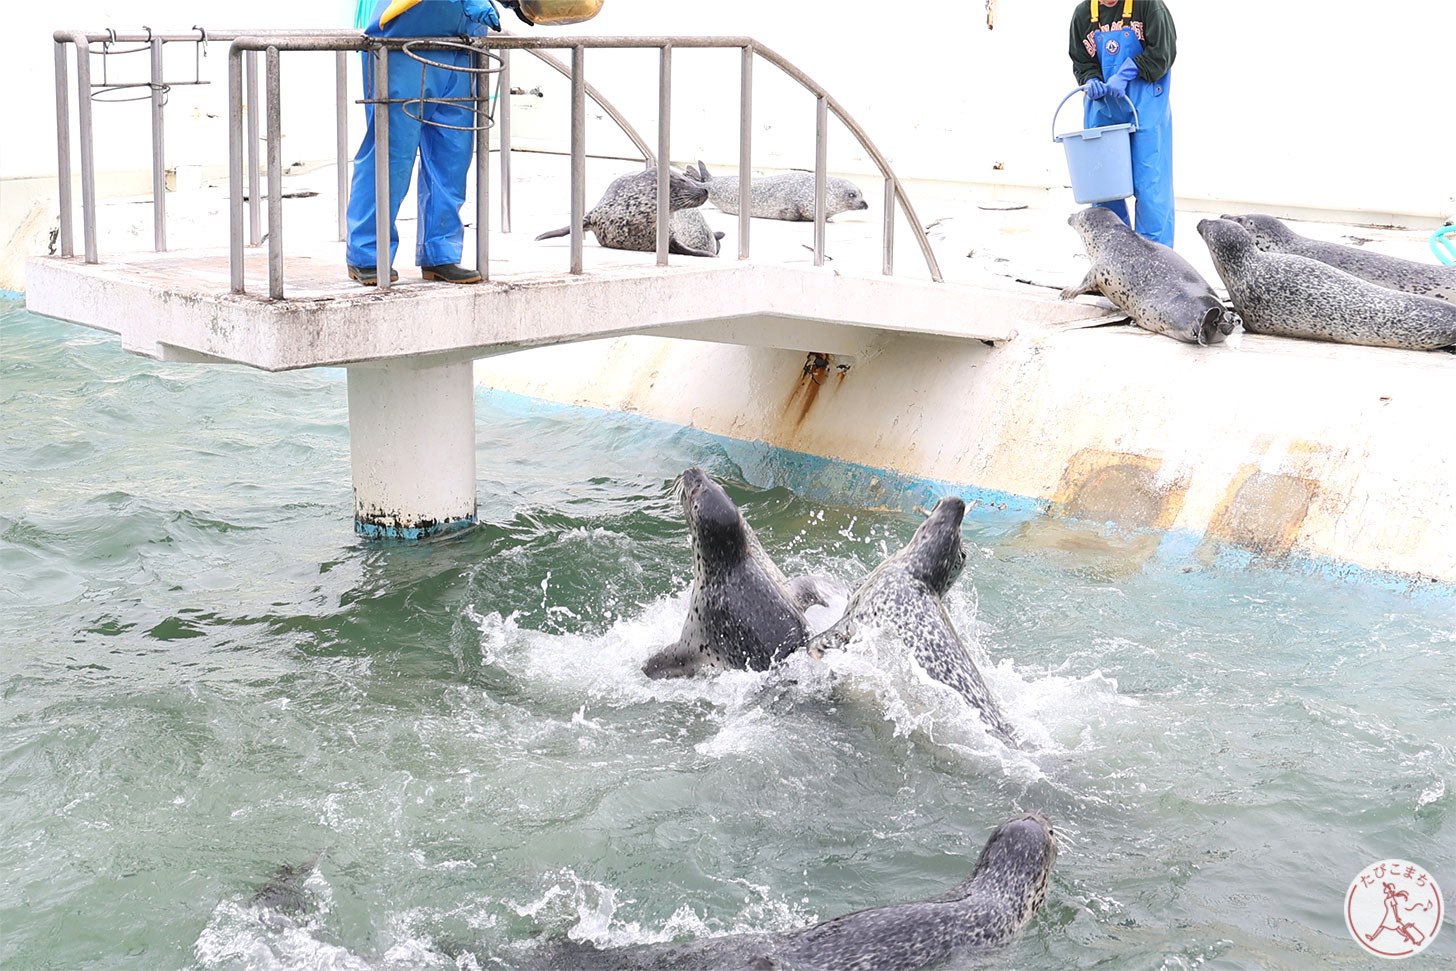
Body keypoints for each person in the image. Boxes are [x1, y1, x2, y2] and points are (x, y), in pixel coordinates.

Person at [345, 0, 502, 286]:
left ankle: (440, 252)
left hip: (462, 47)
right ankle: (368, 254)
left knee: (452, 157)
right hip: (402, 46)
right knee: (391, 155)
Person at [1067, 0, 1177, 246]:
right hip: (1103, 106)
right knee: (1104, 188)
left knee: (1151, 186)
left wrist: (1130, 70)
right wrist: (1091, 79)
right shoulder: (1083, 14)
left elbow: (1163, 53)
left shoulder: (1149, 6)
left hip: (1145, 102)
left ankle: (1155, 261)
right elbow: (1081, 61)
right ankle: (1114, 255)